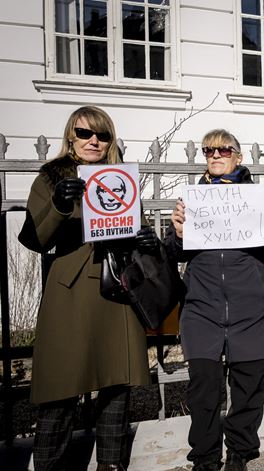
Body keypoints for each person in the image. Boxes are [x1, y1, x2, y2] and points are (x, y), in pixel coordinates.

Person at [18, 105, 156, 471]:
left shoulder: (120, 177)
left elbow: (134, 225)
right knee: (61, 391)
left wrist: (144, 239)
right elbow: (33, 238)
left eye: (103, 135)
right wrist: (60, 205)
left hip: (117, 290)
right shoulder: (50, 177)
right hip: (71, 293)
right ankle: (47, 464)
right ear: (70, 136)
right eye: (84, 133)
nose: (93, 141)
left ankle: (111, 465)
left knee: (116, 389)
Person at [164, 129, 264, 471]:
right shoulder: (192, 199)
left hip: (249, 307)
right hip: (202, 307)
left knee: (248, 389)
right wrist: (176, 234)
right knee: (203, 389)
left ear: (238, 156)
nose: (215, 155)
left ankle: (239, 455)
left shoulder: (257, 197)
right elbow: (172, 252)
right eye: (208, 151)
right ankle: (204, 459)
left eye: (223, 150)